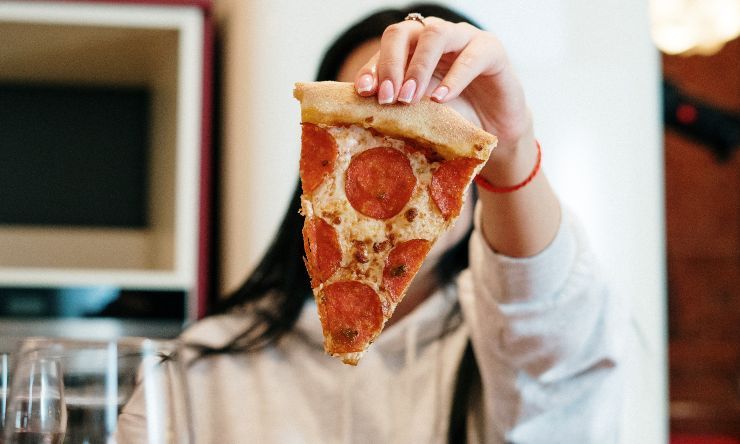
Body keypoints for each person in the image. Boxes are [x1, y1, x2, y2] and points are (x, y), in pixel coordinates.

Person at [119, 4, 627, 443]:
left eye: (432, 145)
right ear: (315, 167)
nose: (391, 183)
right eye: (368, 132)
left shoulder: (508, 352)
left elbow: (553, 347)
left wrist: (513, 150)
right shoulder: (196, 371)